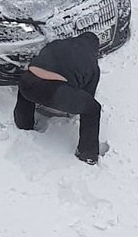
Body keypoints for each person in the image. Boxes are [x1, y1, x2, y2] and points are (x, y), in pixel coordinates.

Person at [13, 32, 103, 165]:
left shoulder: (56, 44)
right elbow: (88, 95)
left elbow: (41, 59)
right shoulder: (91, 63)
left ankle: (23, 123)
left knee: (28, 83)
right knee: (92, 109)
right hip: (55, 92)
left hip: (28, 83)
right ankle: (88, 153)